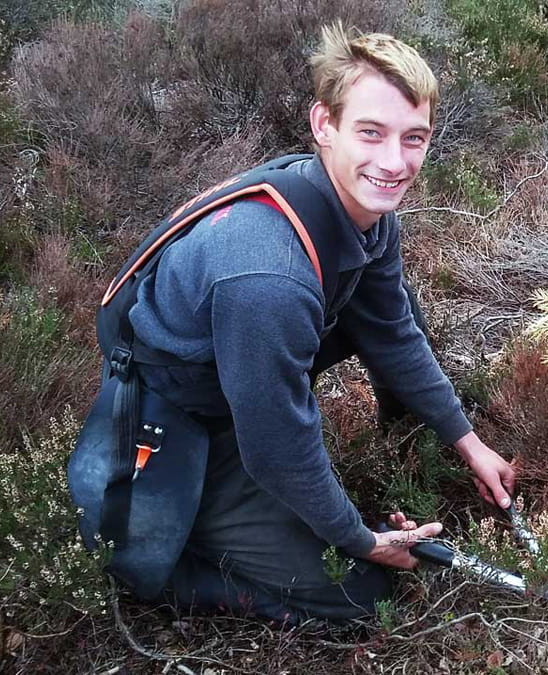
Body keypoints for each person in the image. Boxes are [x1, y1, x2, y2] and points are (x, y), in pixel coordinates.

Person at [73, 25, 515, 624]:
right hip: (182, 410)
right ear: (323, 126)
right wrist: (361, 540)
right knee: (359, 593)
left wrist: (469, 443)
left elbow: (393, 331)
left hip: (242, 379)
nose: (394, 162)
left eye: (414, 138)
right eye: (371, 132)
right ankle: (194, 553)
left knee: (387, 319)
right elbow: (276, 446)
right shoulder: (270, 277)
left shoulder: (366, 214)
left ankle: (278, 515)